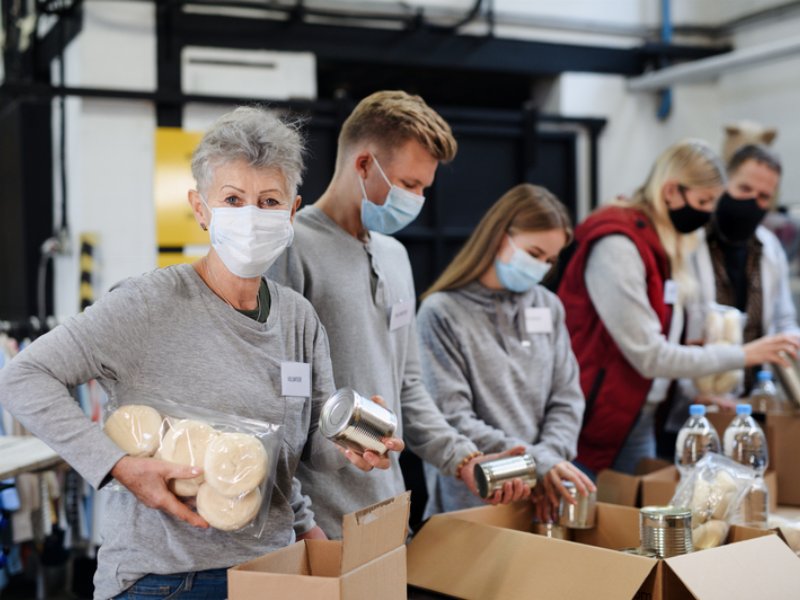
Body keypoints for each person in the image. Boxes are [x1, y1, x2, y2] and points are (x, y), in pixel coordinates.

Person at [0, 107, 402, 599]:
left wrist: (352, 444)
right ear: (200, 208)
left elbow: (308, 455)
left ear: (292, 211)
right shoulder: (146, 303)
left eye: (268, 200)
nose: (252, 216)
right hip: (167, 579)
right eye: (232, 199)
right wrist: (119, 466)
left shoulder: (298, 319)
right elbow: (22, 378)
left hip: (271, 571)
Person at [268, 90, 529, 538]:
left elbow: (408, 386)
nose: (417, 199)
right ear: (364, 164)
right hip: (317, 523)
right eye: (409, 185)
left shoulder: (395, 257)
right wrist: (300, 521)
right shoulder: (292, 249)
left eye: (424, 188)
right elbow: (277, 402)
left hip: (386, 512)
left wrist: (463, 459)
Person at [557, 139, 799, 478]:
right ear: (671, 192)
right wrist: (744, 354)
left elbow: (670, 336)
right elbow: (650, 354)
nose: (706, 215)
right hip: (595, 414)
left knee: (639, 514)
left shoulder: (661, 243)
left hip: (639, 411)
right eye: (703, 202)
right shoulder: (620, 245)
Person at [416, 183, 596, 521]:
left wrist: (548, 463)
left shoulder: (548, 305)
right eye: (533, 253)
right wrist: (538, 462)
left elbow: (567, 398)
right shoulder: (442, 312)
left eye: (549, 260)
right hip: (475, 501)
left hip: (544, 493)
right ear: (500, 237)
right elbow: (452, 417)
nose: (540, 266)